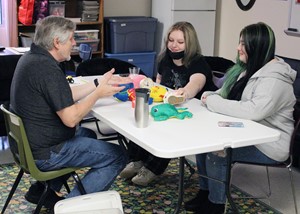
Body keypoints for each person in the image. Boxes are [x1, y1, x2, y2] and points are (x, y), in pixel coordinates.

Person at [10, 16, 131, 209]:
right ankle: (68, 208)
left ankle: (43, 190)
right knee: (118, 156)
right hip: (45, 152)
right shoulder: (47, 69)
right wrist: (98, 94)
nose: (75, 43)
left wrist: (98, 82)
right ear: (57, 42)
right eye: (72, 39)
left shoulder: (32, 59)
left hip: (27, 146)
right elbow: (71, 119)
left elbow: (62, 93)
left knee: (89, 133)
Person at [185, 22, 296, 214]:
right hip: (248, 131)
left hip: (270, 144)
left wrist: (212, 101)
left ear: (257, 46)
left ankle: (215, 204)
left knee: (217, 150)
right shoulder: (249, 68)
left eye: (243, 44)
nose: (238, 48)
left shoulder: (274, 80)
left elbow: (252, 111)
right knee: (203, 143)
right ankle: (205, 192)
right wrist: (213, 95)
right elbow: (224, 92)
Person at [119, 21, 218, 186]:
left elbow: (196, 84)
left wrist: (183, 93)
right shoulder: (165, 59)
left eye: (180, 42)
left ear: (190, 43)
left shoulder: (198, 62)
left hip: (194, 114)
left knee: (165, 130)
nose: (174, 46)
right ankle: (136, 161)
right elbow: (158, 83)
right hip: (168, 107)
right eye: (171, 40)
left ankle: (151, 169)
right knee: (143, 119)